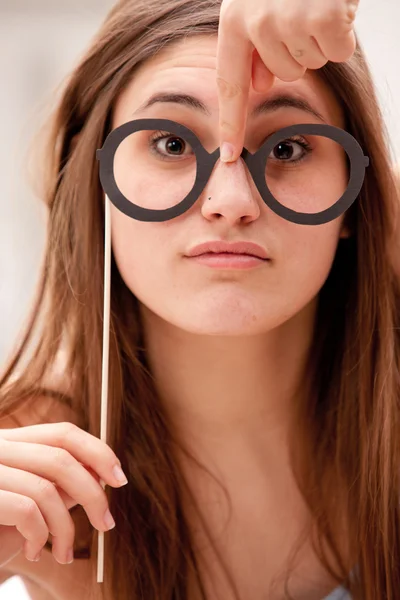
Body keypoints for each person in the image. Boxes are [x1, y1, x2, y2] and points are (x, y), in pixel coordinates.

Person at [0, 0, 399, 599]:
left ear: (353, 193)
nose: (230, 199)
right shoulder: (23, 465)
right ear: (93, 178)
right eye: (169, 143)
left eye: (287, 148)